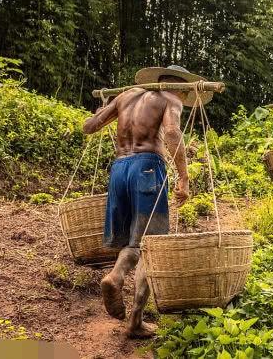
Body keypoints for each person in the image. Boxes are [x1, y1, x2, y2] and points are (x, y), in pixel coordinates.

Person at [82, 65, 211, 338]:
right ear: (179, 86)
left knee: (133, 241)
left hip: (119, 170)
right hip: (148, 168)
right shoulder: (170, 99)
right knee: (151, 244)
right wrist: (184, 178)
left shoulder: (125, 96)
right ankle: (127, 303)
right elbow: (173, 133)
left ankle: (121, 286)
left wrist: (104, 106)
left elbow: (89, 127)